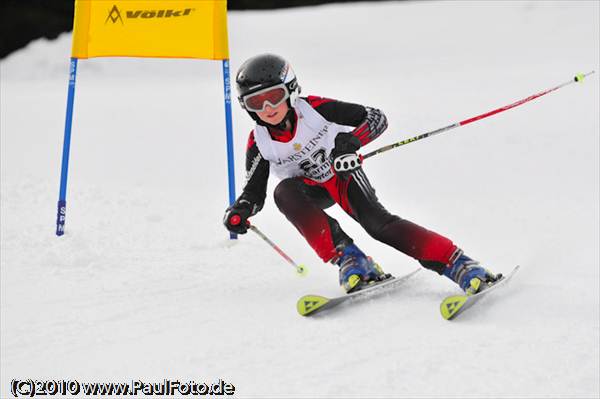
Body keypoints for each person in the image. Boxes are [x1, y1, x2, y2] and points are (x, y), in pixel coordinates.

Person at [223, 53, 499, 294]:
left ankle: (458, 263)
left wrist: (349, 144)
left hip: (342, 175)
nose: (267, 109)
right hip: (310, 191)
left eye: (274, 97)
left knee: (379, 225)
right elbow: (254, 191)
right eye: (256, 102)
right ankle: (351, 259)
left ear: (291, 90)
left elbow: (376, 118)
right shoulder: (259, 141)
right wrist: (243, 208)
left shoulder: (316, 110)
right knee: (283, 192)